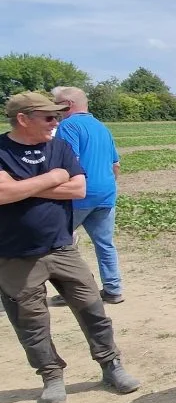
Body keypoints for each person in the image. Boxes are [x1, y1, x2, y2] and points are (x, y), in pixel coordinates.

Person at [0, 92, 140, 403]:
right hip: (15, 255)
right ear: (23, 118)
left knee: (93, 310)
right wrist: (52, 177)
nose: (56, 122)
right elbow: (2, 194)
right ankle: (51, 377)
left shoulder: (59, 146)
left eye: (58, 116)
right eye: (49, 117)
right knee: (31, 323)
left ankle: (111, 366)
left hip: (63, 247)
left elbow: (78, 188)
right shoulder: (1, 150)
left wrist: (23, 186)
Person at [48, 87, 124, 304]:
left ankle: (74, 292)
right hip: (106, 194)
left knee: (59, 243)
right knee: (105, 244)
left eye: (57, 104)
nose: (55, 109)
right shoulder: (102, 127)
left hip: (80, 195)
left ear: (68, 104)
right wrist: (106, 186)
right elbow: (115, 165)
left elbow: (69, 162)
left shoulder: (68, 126)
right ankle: (113, 290)